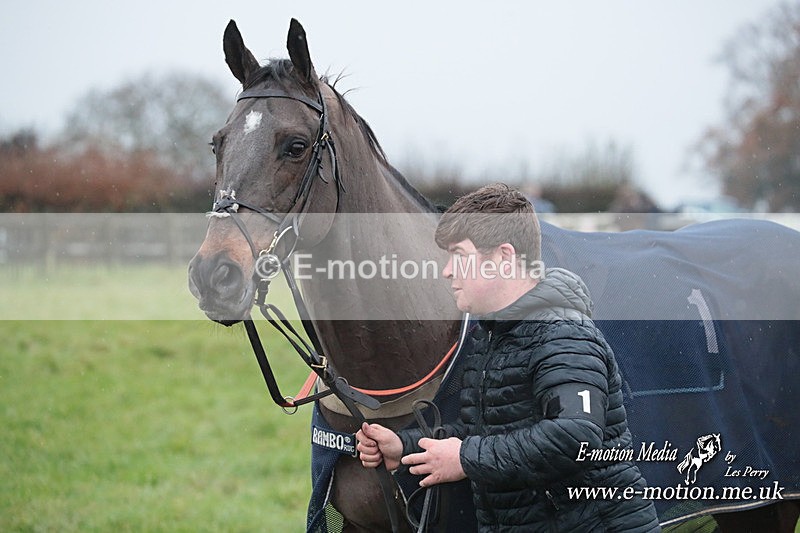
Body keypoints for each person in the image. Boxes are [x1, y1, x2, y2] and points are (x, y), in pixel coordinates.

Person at [356, 184, 660, 532]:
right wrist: (404, 447)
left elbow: (576, 437)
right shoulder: (491, 336)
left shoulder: (564, 334)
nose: (447, 271)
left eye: (459, 254)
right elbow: (483, 430)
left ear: (502, 256)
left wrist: (465, 459)